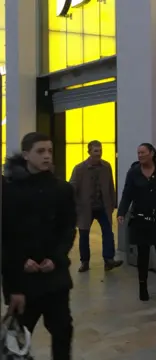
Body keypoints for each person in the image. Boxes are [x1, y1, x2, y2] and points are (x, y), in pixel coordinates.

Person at [2, 132, 76, 360]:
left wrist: (55, 258)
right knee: (18, 338)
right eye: (40, 151)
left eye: (50, 151)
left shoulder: (62, 189)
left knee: (63, 330)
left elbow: (67, 230)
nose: (46, 156)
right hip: (24, 281)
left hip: (55, 278)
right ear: (26, 155)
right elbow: (5, 237)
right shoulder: (9, 190)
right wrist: (15, 278)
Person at [117, 143, 156, 301]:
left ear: (152, 153)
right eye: (138, 153)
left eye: (143, 152)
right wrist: (121, 212)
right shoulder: (133, 173)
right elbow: (127, 194)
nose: (140, 155)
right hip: (140, 220)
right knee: (142, 256)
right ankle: (142, 287)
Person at [70, 140, 123, 272]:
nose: (98, 154)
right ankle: (85, 262)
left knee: (107, 232)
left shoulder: (106, 166)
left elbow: (111, 186)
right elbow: (72, 187)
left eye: (100, 151)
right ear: (89, 152)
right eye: (95, 151)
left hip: (103, 207)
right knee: (84, 234)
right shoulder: (79, 169)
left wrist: (112, 203)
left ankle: (109, 260)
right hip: (85, 208)